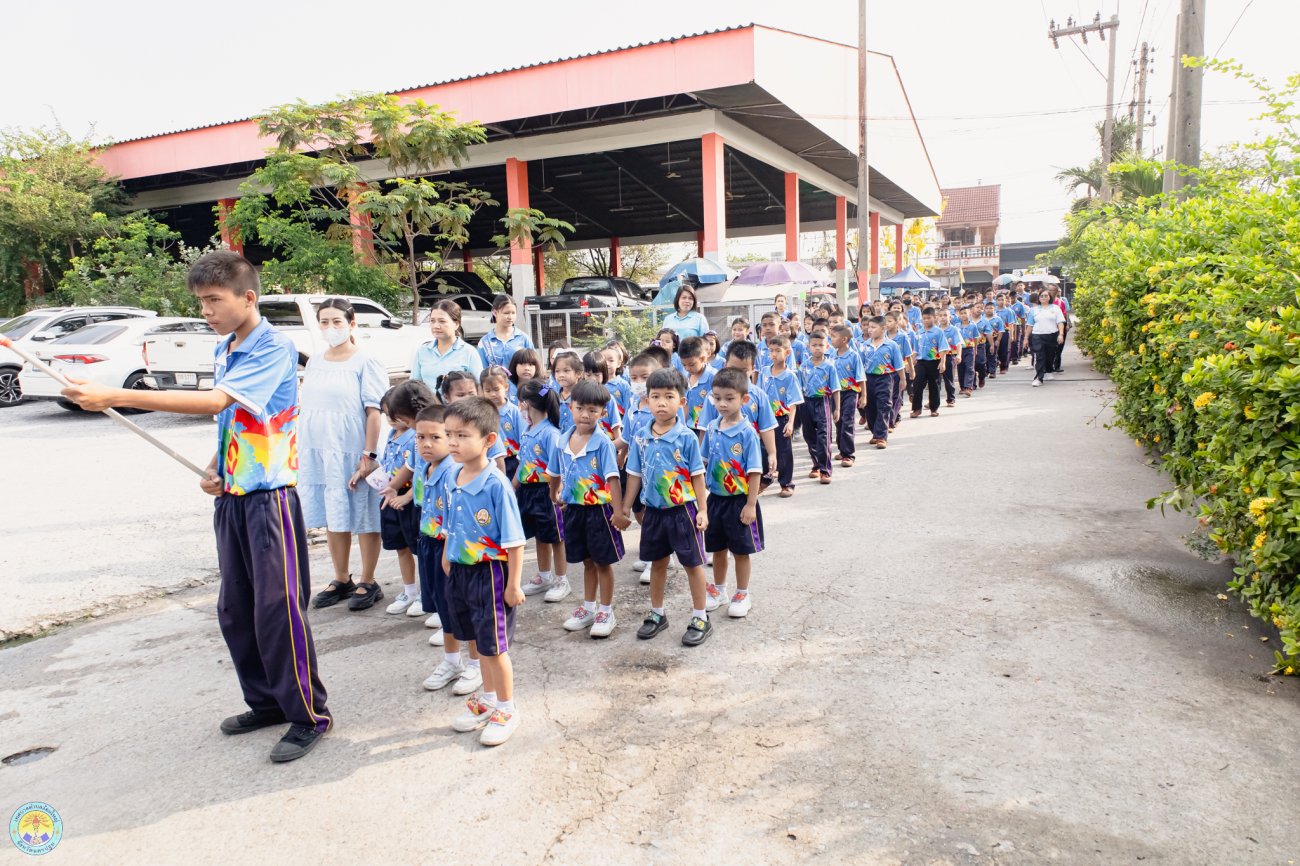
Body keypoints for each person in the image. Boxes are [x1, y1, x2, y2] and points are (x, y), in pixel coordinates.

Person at [60, 250, 330, 762]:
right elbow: (235, 421)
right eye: (200, 302)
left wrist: (115, 395)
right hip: (232, 496)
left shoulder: (273, 346)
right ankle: (267, 703)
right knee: (235, 611)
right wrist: (215, 465)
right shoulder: (226, 346)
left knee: (277, 611)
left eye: (213, 300)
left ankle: (307, 715)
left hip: (269, 500)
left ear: (247, 297)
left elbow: (215, 402)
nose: (205, 311)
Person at [439, 397, 527, 747]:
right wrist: (447, 555)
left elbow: (515, 540)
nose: (453, 442)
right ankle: (488, 698)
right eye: (449, 434)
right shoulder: (454, 475)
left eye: (462, 435)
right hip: (460, 572)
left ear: (489, 440)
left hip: (490, 574)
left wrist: (514, 584)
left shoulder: (496, 484)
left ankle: (506, 707)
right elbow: (451, 521)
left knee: (494, 647)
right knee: (476, 641)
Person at [299, 299, 388, 613]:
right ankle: (341, 577)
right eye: (324, 322)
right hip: (321, 451)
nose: (330, 327)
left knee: (364, 514)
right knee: (334, 511)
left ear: (352, 324)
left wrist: (368, 455)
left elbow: (374, 411)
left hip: (354, 449)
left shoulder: (366, 361)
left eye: (337, 321)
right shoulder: (315, 362)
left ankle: (368, 579)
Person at [613, 368, 713, 647]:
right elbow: (634, 475)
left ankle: (700, 616)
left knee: (692, 564)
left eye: (669, 396)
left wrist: (702, 510)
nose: (661, 403)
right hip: (653, 513)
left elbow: (697, 475)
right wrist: (625, 508)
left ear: (682, 402)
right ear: (647, 400)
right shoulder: (641, 437)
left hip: (683, 512)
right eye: (655, 396)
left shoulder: (687, 437)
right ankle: (657, 613)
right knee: (657, 563)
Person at [548, 380, 625, 639]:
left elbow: (612, 478)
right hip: (574, 510)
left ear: (603, 412)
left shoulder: (603, 443)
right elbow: (554, 472)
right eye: (580, 408)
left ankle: (606, 611)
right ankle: (589, 608)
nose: (585, 414)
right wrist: (554, 494)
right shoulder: (562, 440)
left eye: (593, 410)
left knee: (602, 562)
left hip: (599, 511)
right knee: (587, 561)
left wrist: (618, 512)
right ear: (570, 407)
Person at [701, 368, 763, 618]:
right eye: (717, 398)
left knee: (740, 550)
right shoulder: (712, 427)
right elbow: (703, 462)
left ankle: (742, 593)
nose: (722, 404)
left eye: (729, 398)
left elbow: (755, 472)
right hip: (715, 500)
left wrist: (750, 504)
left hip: (739, 501)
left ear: (743, 399)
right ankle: (719, 590)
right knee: (717, 548)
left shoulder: (747, 433)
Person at [377, 382, 432, 617]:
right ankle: (412, 592)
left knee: (425, 552)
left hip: (423, 504)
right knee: (403, 547)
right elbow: (409, 467)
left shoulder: (424, 435)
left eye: (398, 416)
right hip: (405, 500)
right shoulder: (398, 435)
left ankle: (429, 597)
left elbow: (423, 473)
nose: (394, 420)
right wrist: (391, 488)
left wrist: (408, 495)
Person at [514, 380, 571, 603]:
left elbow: (559, 468)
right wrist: (512, 487)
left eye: (521, 402)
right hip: (528, 491)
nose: (519, 407)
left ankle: (562, 580)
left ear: (528, 404)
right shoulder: (527, 430)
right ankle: (544, 576)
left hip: (547, 491)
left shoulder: (551, 433)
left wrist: (558, 493)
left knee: (556, 537)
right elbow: (522, 464)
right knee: (540, 535)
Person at [760, 335, 803, 498]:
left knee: (784, 452)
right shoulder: (764, 372)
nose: (774, 354)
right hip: (765, 419)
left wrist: (791, 422)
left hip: (781, 418)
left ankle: (786, 483)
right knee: (763, 450)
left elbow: (793, 402)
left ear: (787, 353)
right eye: (771, 350)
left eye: (778, 351)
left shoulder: (790, 376)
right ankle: (765, 479)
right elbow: (759, 395)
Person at [411, 299, 483, 394]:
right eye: (432, 321)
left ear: (456, 324)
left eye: (442, 321)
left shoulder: (469, 352)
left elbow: (479, 388)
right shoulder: (422, 351)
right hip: (428, 403)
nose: (436, 326)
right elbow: (414, 385)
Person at [798, 331, 839, 485]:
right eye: (814, 345)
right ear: (808, 346)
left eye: (820, 345)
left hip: (823, 402)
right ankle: (816, 464)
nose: (817, 348)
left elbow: (835, 389)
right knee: (809, 436)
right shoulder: (803, 366)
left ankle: (825, 470)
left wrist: (837, 408)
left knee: (823, 436)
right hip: (806, 403)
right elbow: (798, 388)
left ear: (826, 346)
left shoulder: (829, 366)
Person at [859, 316, 904, 449]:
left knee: (884, 406)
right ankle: (875, 432)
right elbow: (860, 366)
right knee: (870, 407)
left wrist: (903, 379)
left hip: (885, 378)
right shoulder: (864, 345)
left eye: (873, 327)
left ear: (883, 328)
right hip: (868, 379)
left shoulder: (891, 345)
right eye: (869, 327)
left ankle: (882, 436)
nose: (870, 330)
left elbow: (899, 365)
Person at [828, 324, 864, 468]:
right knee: (838, 421)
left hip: (850, 392)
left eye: (833, 336)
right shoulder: (831, 355)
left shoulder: (854, 356)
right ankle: (842, 450)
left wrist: (863, 396)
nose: (831, 339)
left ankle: (849, 454)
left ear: (844, 339)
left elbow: (861, 377)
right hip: (835, 394)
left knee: (848, 421)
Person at [480, 366, 524, 482]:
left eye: (496, 389)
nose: (492, 394)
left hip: (513, 461)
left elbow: (524, 438)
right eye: (488, 391)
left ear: (506, 387)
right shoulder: (482, 413)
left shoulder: (514, 412)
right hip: (490, 460)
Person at [909, 306, 950, 419]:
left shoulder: (938, 332)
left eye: (929, 318)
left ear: (934, 318)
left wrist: (942, 362)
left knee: (934, 385)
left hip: (934, 362)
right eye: (924, 318)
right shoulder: (919, 332)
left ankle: (934, 408)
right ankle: (916, 409)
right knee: (917, 384)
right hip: (921, 362)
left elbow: (943, 348)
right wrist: (911, 362)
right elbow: (915, 349)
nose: (926, 320)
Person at [477, 294, 534, 369]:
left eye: (513, 313)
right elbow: (481, 371)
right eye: (506, 313)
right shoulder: (484, 342)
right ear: (495, 312)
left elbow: (533, 365)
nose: (510, 317)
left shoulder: (524, 339)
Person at [677, 336, 715, 433]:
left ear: (703, 358)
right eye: (684, 365)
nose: (687, 368)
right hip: (688, 429)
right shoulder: (685, 378)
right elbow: (685, 405)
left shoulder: (714, 378)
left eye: (691, 364)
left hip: (707, 429)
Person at [1030, 290, 1067, 387]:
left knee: (1050, 355)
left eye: (1046, 296)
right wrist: (1026, 338)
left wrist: (1061, 334)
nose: (1043, 297)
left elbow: (1060, 322)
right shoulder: (1033, 310)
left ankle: (1049, 370)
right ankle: (1038, 378)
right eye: (1041, 296)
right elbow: (1030, 324)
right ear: (1038, 298)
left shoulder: (1055, 308)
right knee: (1040, 356)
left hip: (1052, 335)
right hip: (1037, 335)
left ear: (1049, 297)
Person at [940, 308, 964, 407]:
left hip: (949, 356)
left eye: (945, 315)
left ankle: (951, 398)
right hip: (936, 357)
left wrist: (959, 354)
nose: (943, 317)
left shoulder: (954, 329)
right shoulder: (935, 330)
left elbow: (958, 343)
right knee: (935, 380)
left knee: (949, 379)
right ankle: (933, 400)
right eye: (940, 315)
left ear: (950, 317)